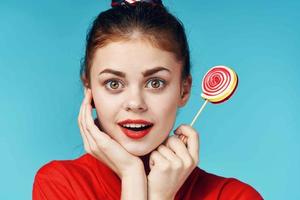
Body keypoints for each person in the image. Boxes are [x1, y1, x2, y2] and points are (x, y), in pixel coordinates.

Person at [32, 0, 263, 199]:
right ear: (89, 89)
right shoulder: (60, 185)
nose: (135, 103)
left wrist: (161, 196)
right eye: (114, 83)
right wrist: (132, 175)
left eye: (155, 83)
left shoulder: (236, 196)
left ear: (183, 90)